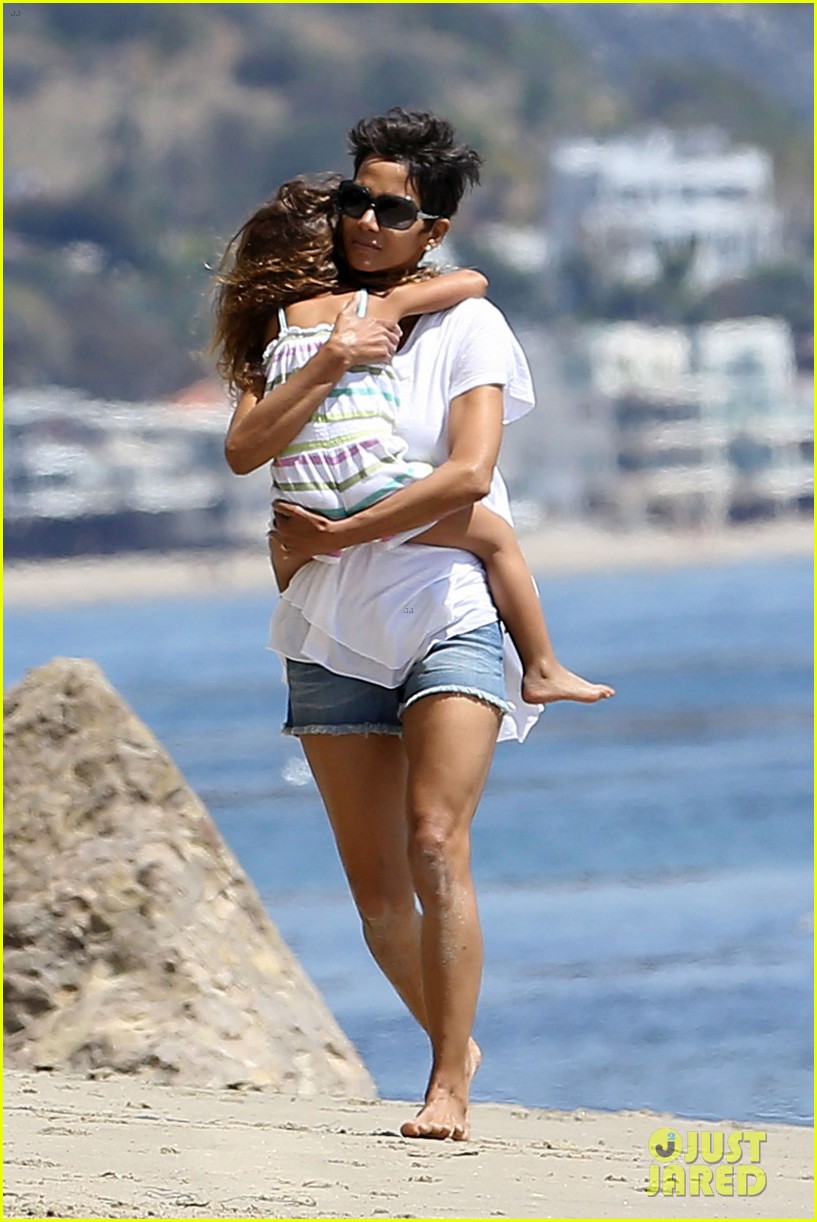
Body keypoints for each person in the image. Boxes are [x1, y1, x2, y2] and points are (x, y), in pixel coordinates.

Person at [221, 109, 614, 1140]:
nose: (363, 220)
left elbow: (469, 476)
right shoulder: (306, 324)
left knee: (437, 841)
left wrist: (342, 536)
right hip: (325, 628)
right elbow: (246, 448)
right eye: (355, 198)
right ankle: (459, 1039)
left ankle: (447, 1085)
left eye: (390, 209)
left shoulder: (467, 325)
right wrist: (327, 360)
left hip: (444, 609)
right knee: (379, 899)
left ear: (431, 228)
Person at [214, 177, 614, 706]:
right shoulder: (369, 306)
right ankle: (542, 666)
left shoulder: (274, 328)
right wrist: (393, 307)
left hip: (302, 496)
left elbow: (241, 451)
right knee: (494, 537)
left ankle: (323, 647)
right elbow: (472, 281)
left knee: (287, 554)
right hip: (366, 479)